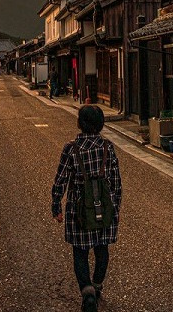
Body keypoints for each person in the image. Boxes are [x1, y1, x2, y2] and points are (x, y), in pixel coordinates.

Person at [51, 105, 122, 312]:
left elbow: (60, 180)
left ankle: (87, 291)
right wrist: (114, 209)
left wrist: (56, 206)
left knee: (80, 252)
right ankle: (97, 284)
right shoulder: (108, 147)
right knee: (102, 249)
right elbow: (116, 183)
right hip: (104, 208)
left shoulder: (71, 148)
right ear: (101, 124)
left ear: (80, 124)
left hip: (78, 210)